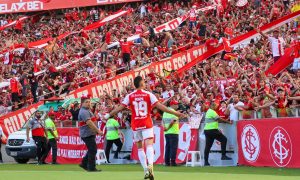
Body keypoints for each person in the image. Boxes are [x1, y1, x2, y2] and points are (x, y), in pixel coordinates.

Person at [105, 76, 185, 180]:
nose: (145, 83)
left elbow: (119, 108)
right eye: (144, 82)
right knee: (149, 145)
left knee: (140, 148)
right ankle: (150, 168)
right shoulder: (148, 94)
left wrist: (107, 115)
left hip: (136, 124)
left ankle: (146, 171)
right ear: (141, 84)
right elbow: (161, 107)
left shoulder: (130, 96)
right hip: (146, 123)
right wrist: (175, 113)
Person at [78, 97, 103, 172]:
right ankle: (91, 167)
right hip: (87, 134)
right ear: (82, 103)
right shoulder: (84, 111)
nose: (89, 103)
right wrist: (98, 130)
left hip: (89, 133)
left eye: (89, 102)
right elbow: (89, 122)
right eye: (86, 102)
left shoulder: (87, 110)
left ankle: (84, 163)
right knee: (93, 150)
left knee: (91, 149)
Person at [162, 100, 180, 166]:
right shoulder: (174, 112)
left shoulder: (165, 112)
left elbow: (163, 121)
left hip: (167, 133)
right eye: (176, 104)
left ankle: (167, 162)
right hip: (173, 132)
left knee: (168, 147)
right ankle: (173, 162)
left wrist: (165, 128)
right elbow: (173, 122)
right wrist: (168, 128)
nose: (177, 105)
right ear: (172, 105)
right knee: (173, 148)